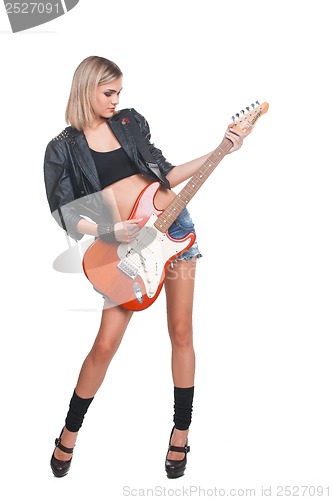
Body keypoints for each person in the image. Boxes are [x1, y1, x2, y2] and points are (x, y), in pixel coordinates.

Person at [44, 55, 245, 479]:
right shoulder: (63, 146)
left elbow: (168, 175)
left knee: (182, 332)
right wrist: (108, 228)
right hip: (122, 247)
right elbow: (64, 212)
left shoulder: (131, 122)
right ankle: (69, 432)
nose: (118, 100)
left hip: (174, 235)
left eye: (119, 92)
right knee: (104, 345)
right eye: (109, 93)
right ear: (87, 89)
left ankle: (180, 433)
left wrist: (221, 149)